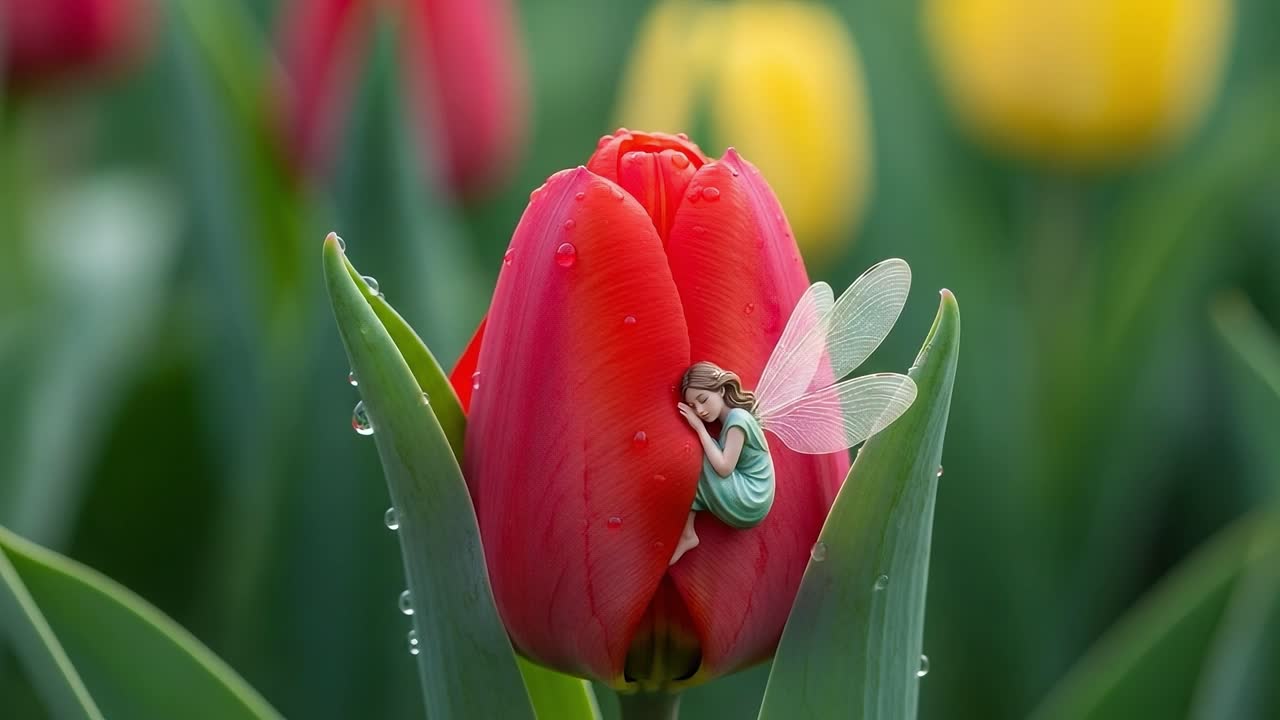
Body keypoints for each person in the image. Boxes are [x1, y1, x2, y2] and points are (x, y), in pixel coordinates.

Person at [671, 361, 775, 565]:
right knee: (697, 456)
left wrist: (699, 428)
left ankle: (688, 534)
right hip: (747, 491)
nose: (699, 410)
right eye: (693, 406)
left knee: (696, 456)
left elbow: (725, 468)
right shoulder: (732, 420)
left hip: (752, 497)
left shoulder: (739, 419)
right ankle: (688, 533)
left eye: (703, 399)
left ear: (720, 389)